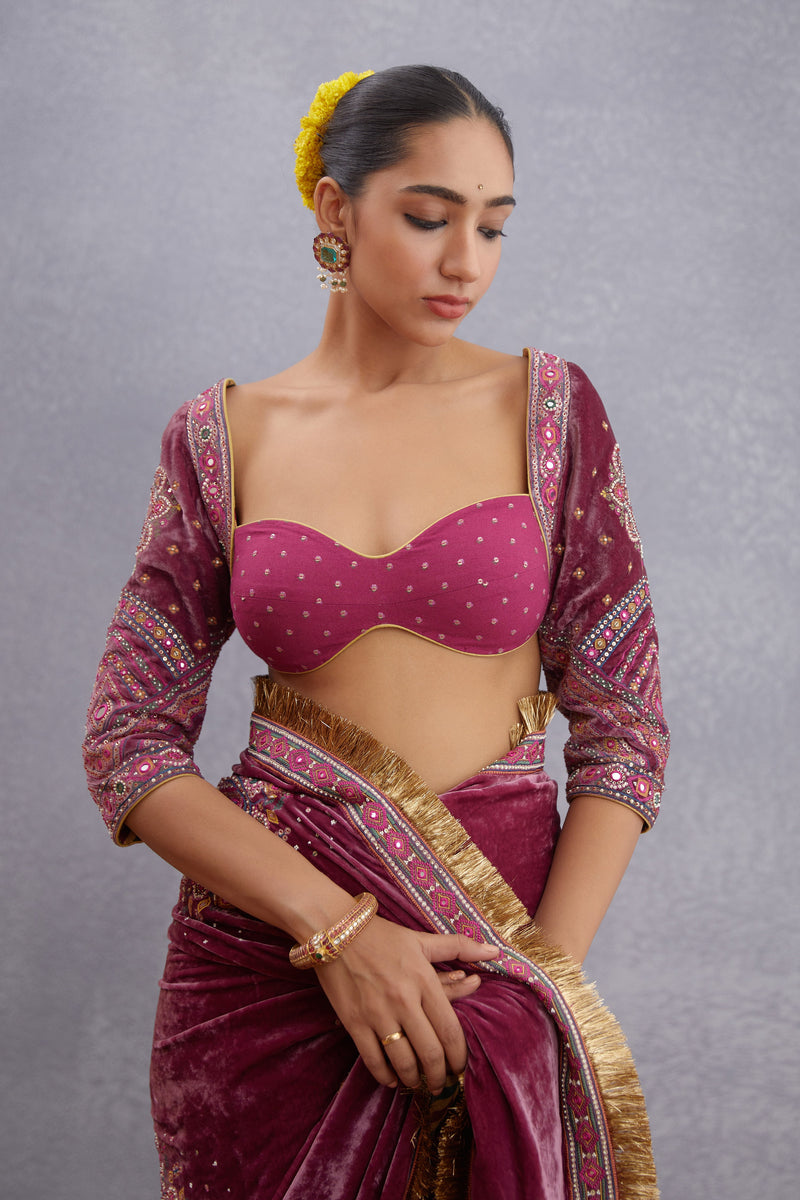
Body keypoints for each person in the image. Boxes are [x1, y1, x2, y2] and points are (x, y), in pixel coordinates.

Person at [83, 65, 669, 1200]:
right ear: (334, 210)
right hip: (265, 968)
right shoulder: (222, 437)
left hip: (489, 952)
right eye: (429, 217)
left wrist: (537, 986)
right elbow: (128, 744)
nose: (467, 264)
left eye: (493, 227)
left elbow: (625, 732)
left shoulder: (549, 415)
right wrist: (337, 932)